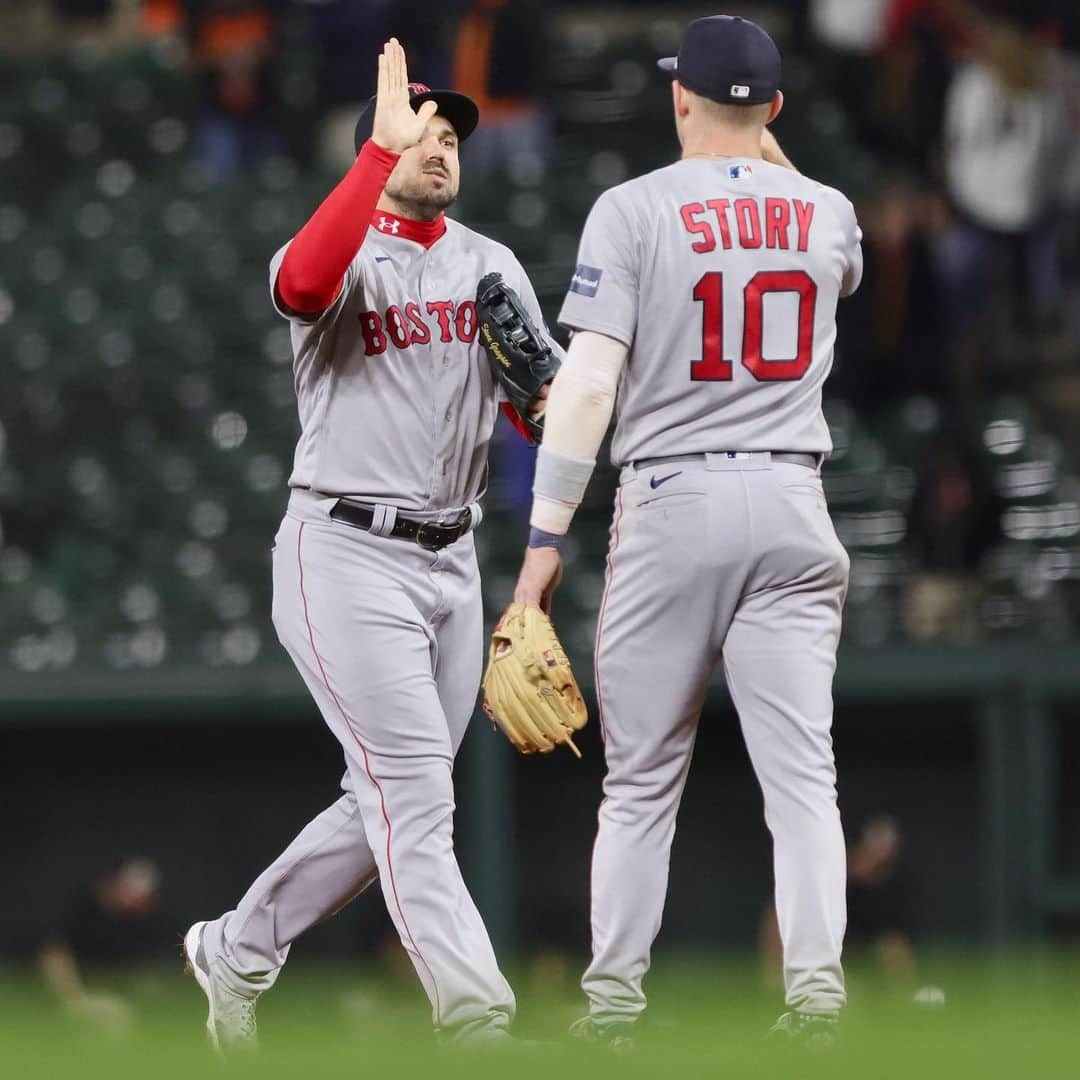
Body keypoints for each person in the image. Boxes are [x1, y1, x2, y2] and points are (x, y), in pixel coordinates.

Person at [183, 38, 559, 1053]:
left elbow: (541, 409)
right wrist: (371, 163)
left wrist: (547, 400)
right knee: (416, 799)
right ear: (376, 149)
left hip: (450, 560)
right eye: (421, 132)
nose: (440, 147)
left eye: (449, 138)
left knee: (388, 799)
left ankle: (235, 950)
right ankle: (478, 1019)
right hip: (343, 552)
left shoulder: (490, 263)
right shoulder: (336, 249)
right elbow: (301, 288)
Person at [508, 15, 862, 1049]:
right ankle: (819, 1007)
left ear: (677, 98)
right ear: (778, 109)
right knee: (803, 779)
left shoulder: (631, 208)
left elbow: (586, 391)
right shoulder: (829, 210)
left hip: (677, 500)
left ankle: (614, 1011)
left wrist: (543, 543)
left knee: (642, 780)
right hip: (796, 502)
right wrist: (762, 150)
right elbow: (818, 242)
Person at [39, 857, 170, 1035]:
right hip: (78, 995)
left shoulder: (144, 921)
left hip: (121, 999)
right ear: (114, 884)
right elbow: (54, 956)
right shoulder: (80, 909)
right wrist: (75, 1000)